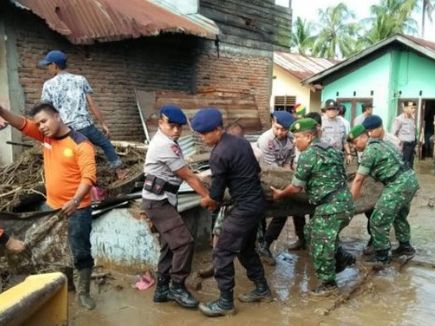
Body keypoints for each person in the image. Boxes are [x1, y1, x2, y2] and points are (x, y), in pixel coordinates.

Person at [0, 102, 97, 309]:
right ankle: (64, 283)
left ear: (57, 116)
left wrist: (75, 200)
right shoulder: (46, 137)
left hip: (76, 210)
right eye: (38, 123)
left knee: (80, 251)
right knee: (50, 247)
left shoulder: (81, 144)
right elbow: (21, 124)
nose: (41, 126)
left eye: (44, 121)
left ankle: (84, 292)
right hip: (50, 208)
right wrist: (1, 111)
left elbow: (89, 177)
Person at [192, 108, 271, 317]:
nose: (202, 138)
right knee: (245, 249)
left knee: (222, 252)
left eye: (205, 133)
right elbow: (256, 170)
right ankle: (262, 289)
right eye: (199, 134)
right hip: (257, 205)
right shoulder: (241, 143)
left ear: (217, 129)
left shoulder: (219, 154)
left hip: (244, 208)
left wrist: (206, 200)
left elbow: (216, 195)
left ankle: (225, 302)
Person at [271, 118, 355, 295]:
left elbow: (295, 187)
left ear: (309, 137)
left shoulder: (308, 156)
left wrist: (280, 194)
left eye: (297, 137)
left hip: (330, 206)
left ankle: (328, 283)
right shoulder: (332, 149)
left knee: (319, 242)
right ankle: (342, 257)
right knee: (309, 232)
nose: (294, 141)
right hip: (345, 203)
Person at [142, 105, 210, 309]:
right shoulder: (164, 145)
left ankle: (162, 289)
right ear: (160, 123)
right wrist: (207, 197)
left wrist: (204, 180)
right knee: (184, 243)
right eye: (171, 126)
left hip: (165, 199)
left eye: (180, 127)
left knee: (170, 245)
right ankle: (177, 286)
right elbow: (188, 176)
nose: (176, 131)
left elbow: (188, 172)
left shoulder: (170, 141)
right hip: (158, 202)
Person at [39, 50, 128, 179]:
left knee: (74, 156)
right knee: (105, 144)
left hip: (67, 130)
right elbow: (92, 104)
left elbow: (46, 111)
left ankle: (80, 181)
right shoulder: (80, 80)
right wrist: (103, 123)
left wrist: (48, 131)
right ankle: (119, 172)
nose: (47, 68)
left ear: (55, 65)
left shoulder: (48, 85)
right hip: (86, 126)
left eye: (48, 65)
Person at [349, 125, 419, 266]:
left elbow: (358, 180)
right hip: (410, 179)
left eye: (355, 142)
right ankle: (405, 248)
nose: (354, 147)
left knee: (378, 219)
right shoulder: (385, 143)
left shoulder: (370, 151)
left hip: (397, 184)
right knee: (399, 216)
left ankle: (381, 257)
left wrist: (350, 202)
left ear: (364, 137)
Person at [256, 111, 306, 266]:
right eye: (277, 128)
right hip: (265, 179)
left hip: (283, 177)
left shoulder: (292, 138)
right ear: (273, 122)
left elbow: (288, 163)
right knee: (282, 210)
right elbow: (270, 169)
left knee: (298, 205)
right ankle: (264, 244)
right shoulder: (266, 140)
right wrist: (289, 184)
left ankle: (302, 239)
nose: (280, 132)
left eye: (284, 130)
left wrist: (290, 182)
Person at [359, 115, 402, 255]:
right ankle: (375, 242)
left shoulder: (393, 141)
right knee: (371, 211)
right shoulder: (368, 141)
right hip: (375, 180)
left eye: (371, 131)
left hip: (392, 182)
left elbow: (396, 163)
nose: (369, 134)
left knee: (382, 216)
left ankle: (382, 250)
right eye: (368, 132)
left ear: (380, 128)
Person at [320, 99, 352, 164]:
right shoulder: (321, 122)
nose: (331, 111)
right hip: (325, 156)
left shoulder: (341, 123)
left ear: (337, 111)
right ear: (325, 111)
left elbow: (344, 140)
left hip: (338, 155)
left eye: (333, 109)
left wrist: (349, 154)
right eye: (329, 109)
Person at [392, 101, 417, 169]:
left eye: (414, 108)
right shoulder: (399, 119)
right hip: (404, 147)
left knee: (410, 165)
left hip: (412, 145)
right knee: (404, 165)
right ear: (405, 108)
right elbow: (393, 134)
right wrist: (398, 145)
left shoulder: (412, 119)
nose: (414, 110)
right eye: (411, 108)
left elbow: (413, 132)